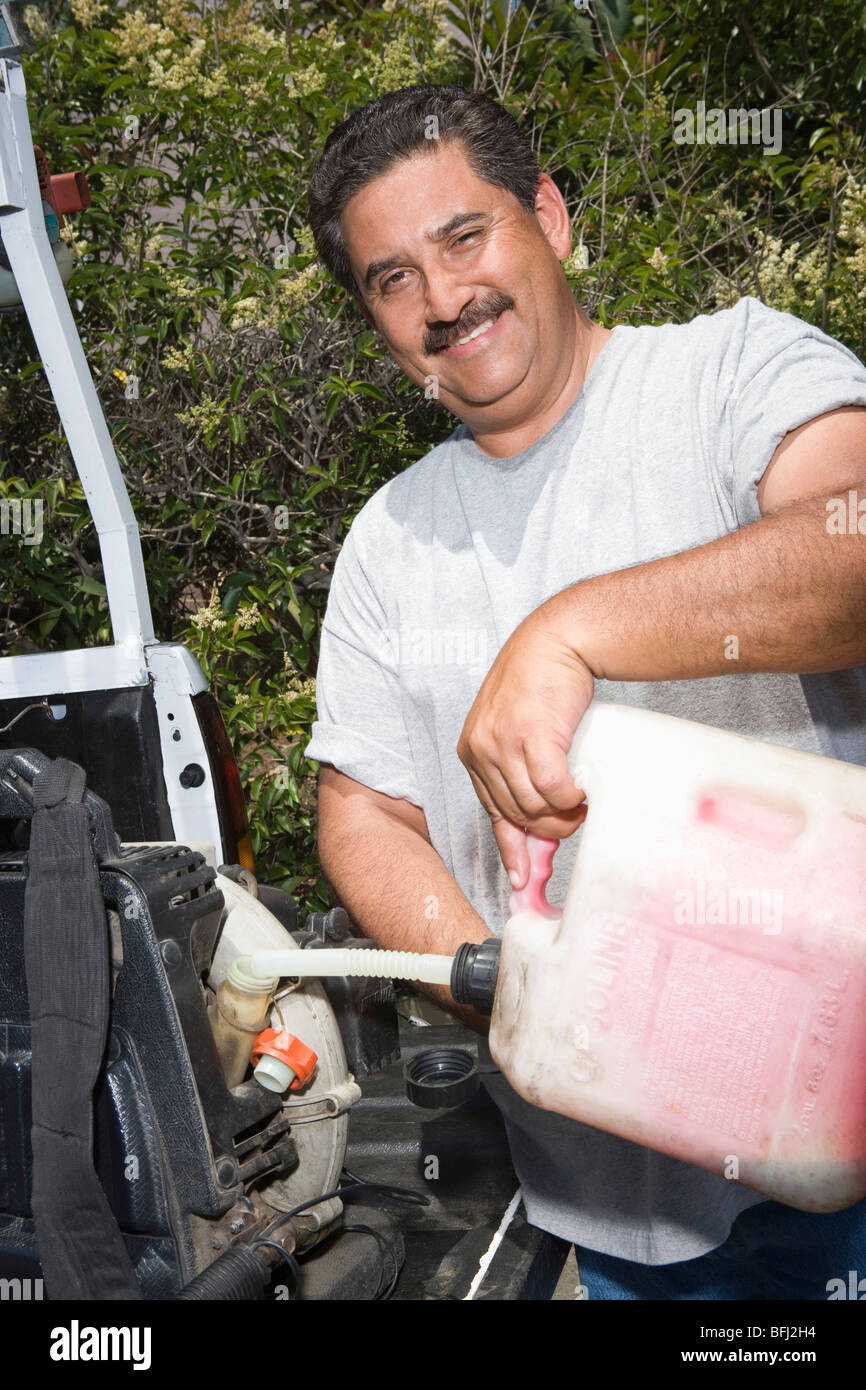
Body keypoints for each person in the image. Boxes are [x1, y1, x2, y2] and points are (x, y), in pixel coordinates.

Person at [303, 84, 866, 1298]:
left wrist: (570, 630)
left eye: (465, 237)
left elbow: (850, 545)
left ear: (549, 217)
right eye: (393, 278)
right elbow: (362, 810)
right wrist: (492, 978)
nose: (444, 298)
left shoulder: (730, 371)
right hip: (594, 1193)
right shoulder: (386, 540)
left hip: (828, 1150)